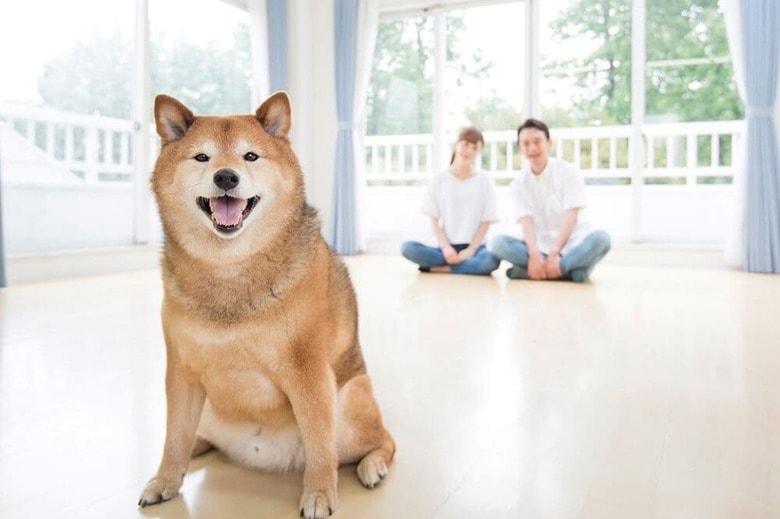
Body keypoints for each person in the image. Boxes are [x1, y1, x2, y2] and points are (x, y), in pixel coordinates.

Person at [491, 118, 611, 282]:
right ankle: (571, 272)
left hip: (571, 245)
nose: (532, 148)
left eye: (537, 141)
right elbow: (527, 222)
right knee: (498, 243)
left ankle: (531, 272)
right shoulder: (518, 183)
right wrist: (534, 254)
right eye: (526, 143)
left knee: (602, 239)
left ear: (549, 143)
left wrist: (555, 253)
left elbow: (572, 217)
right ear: (520, 148)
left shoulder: (568, 171)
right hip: (538, 248)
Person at [401, 126, 500, 275]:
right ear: (457, 144)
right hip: (445, 248)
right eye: (466, 144)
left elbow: (487, 220)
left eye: (475, 148)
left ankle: (440, 269)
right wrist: (446, 248)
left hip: (475, 248)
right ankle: (464, 267)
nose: (469, 151)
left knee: (490, 260)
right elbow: (433, 219)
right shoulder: (439, 179)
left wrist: (471, 250)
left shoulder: (484, 180)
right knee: (407, 248)